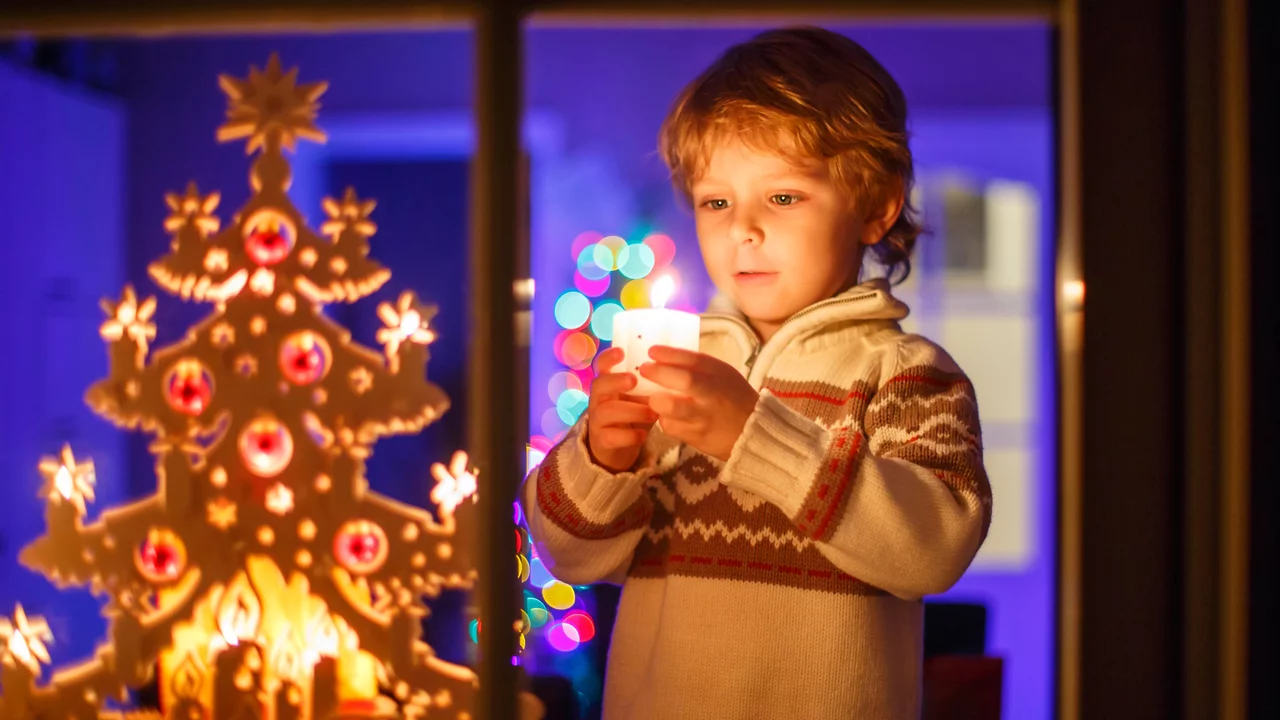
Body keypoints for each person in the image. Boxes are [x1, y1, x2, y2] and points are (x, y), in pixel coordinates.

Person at [521, 26, 992, 720]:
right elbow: (569, 557)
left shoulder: (904, 374)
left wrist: (754, 432)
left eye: (782, 198)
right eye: (717, 202)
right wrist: (603, 456)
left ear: (875, 205)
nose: (742, 228)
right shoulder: (671, 366)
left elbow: (935, 551)